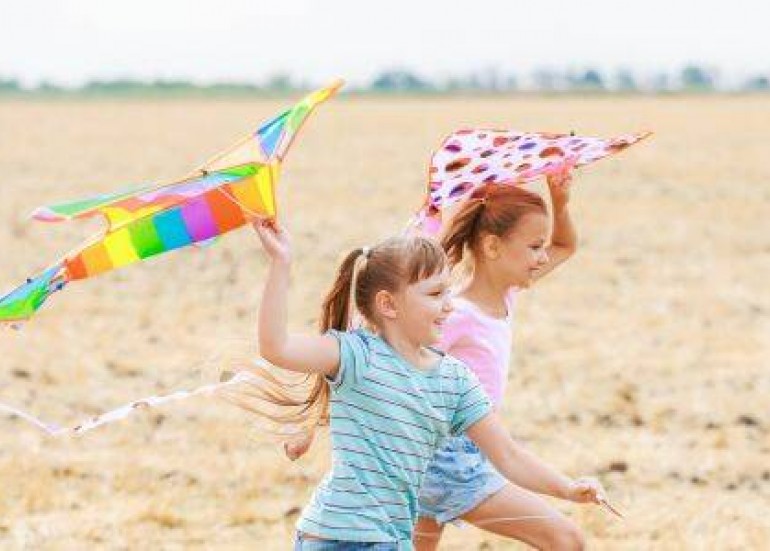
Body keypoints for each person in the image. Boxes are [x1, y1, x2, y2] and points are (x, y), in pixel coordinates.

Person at [250, 217, 604, 550]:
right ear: (388, 304)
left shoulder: (455, 380)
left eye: (447, 293)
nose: (449, 306)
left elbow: (509, 456)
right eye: (435, 295)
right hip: (331, 536)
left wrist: (568, 489)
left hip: (390, 539)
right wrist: (280, 263)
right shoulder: (355, 356)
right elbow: (276, 346)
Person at [415, 171, 587, 550]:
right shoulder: (457, 313)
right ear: (492, 247)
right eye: (532, 247)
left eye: (541, 247)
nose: (543, 257)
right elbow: (393, 365)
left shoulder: (504, 295)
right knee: (567, 540)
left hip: (457, 448)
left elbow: (566, 245)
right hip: (446, 458)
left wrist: (560, 201)